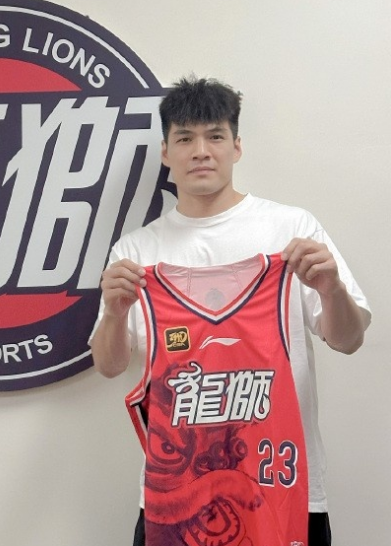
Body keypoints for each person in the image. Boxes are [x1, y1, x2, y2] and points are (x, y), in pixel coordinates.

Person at [89, 76, 371, 546]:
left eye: (215, 136)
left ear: (236, 146)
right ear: (166, 152)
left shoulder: (291, 231)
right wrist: (115, 314)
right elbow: (110, 365)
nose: (201, 151)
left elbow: (349, 339)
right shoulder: (137, 252)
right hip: (176, 498)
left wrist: (332, 290)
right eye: (185, 139)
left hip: (285, 486)